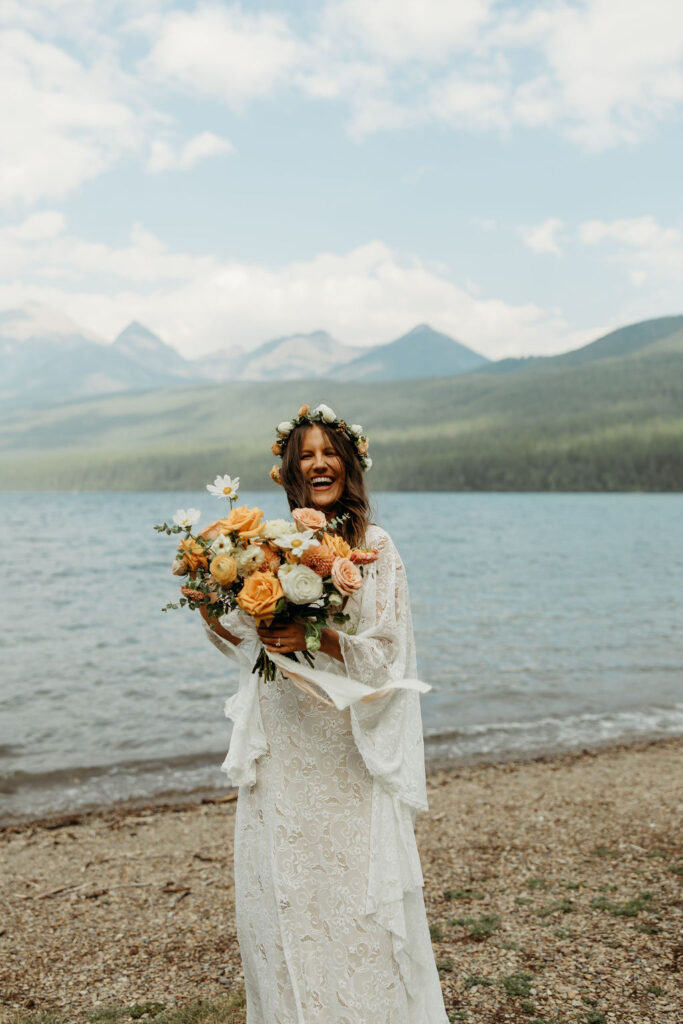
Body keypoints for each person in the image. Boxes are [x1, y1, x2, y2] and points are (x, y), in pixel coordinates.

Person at [200, 404, 449, 1023]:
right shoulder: (269, 545)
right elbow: (250, 641)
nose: (318, 463)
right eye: (305, 455)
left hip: (344, 745)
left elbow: (390, 653)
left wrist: (320, 639)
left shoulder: (376, 546)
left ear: (349, 462)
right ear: (289, 471)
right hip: (282, 740)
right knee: (284, 892)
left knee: (352, 900)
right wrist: (213, 607)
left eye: (328, 452)